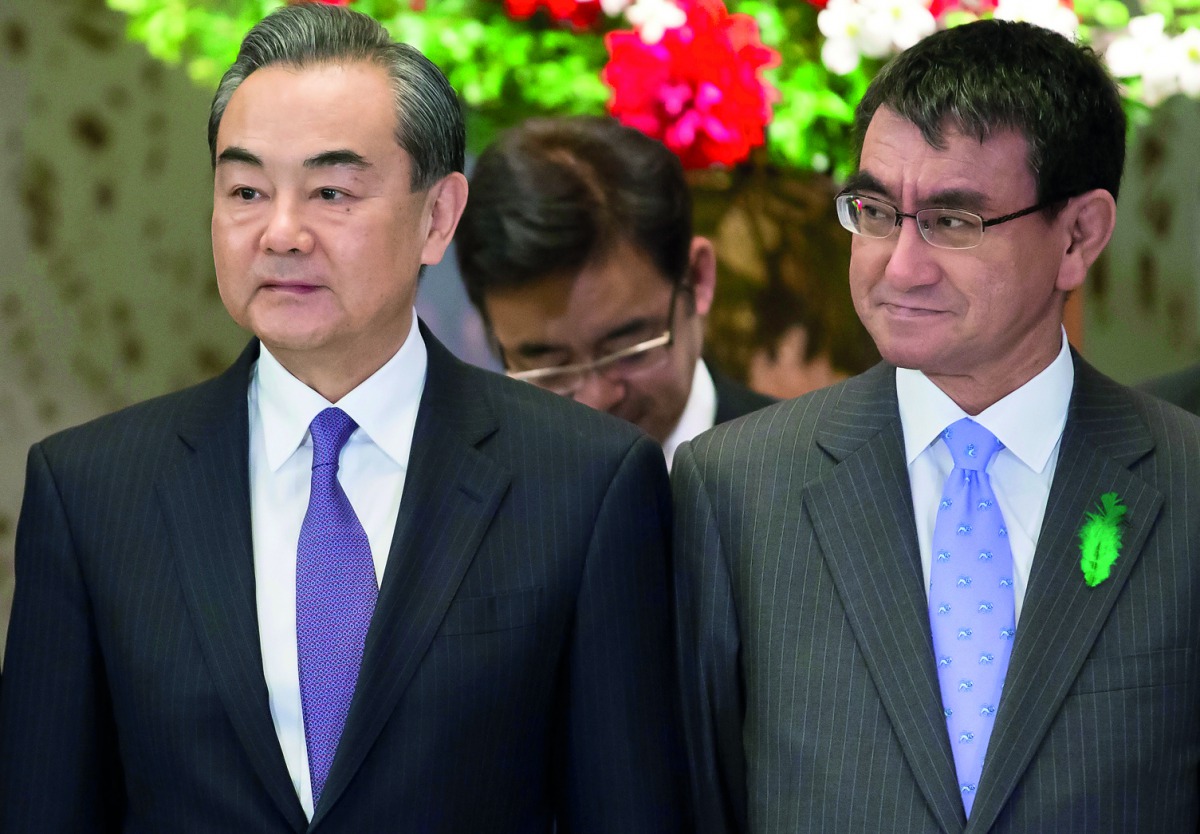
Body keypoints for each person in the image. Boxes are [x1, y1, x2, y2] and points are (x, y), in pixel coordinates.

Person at [0, 6, 686, 832]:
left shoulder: (584, 483)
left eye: (331, 192)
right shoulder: (92, 492)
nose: (281, 233)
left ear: (437, 217)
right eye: (246, 190)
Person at [672, 19, 1200, 834]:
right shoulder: (738, 486)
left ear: (1078, 235)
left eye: (953, 222)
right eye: (876, 211)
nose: (898, 264)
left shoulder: (1184, 484)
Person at [455, 116, 773, 468]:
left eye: (627, 349)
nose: (595, 402)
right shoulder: (460, 494)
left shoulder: (794, 471)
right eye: (549, 366)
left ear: (697, 278)